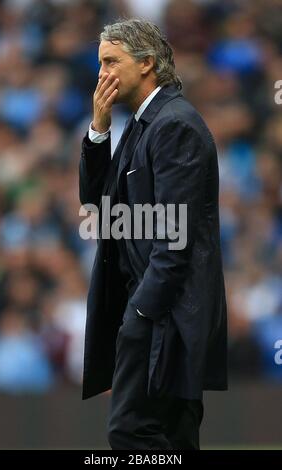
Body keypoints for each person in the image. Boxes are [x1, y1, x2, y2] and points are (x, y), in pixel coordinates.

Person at [79, 18, 227, 450]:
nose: (102, 73)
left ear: (146, 63)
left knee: (131, 431)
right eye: (99, 62)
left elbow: (174, 236)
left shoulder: (173, 125)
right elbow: (97, 208)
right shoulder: (143, 124)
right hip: (157, 313)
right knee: (173, 437)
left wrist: (141, 314)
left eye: (111, 61)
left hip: (164, 317)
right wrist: (99, 128)